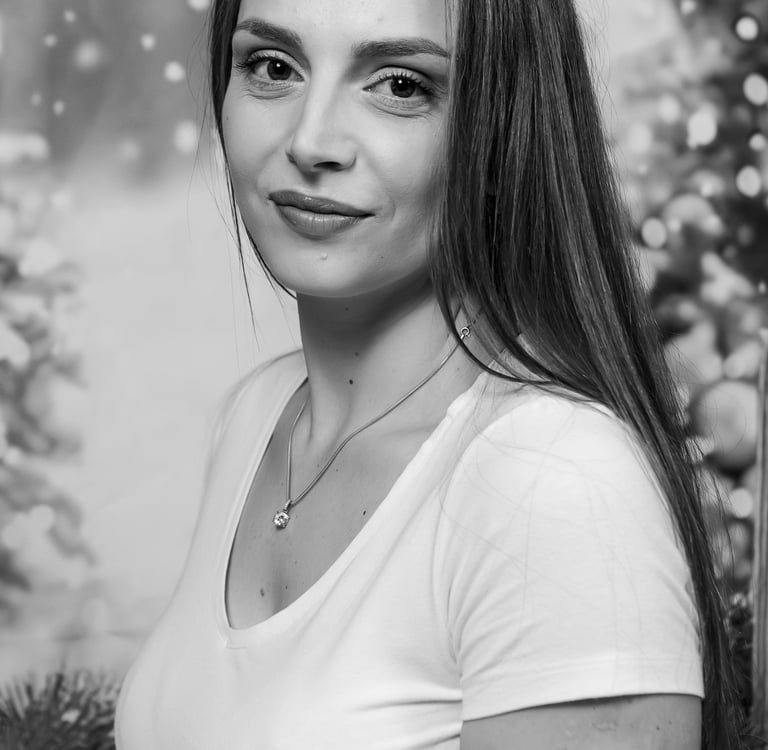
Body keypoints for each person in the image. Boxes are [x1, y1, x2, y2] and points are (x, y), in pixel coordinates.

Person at [114, 0, 749, 747]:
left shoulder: (553, 481)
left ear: (503, 126)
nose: (311, 141)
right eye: (272, 68)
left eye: (400, 85)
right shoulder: (257, 417)